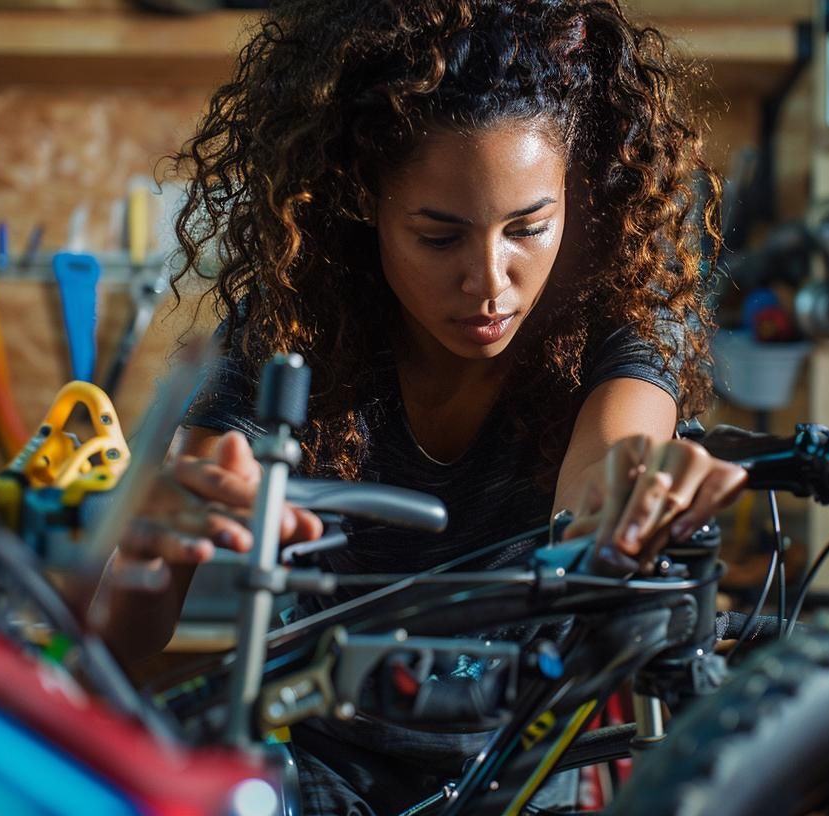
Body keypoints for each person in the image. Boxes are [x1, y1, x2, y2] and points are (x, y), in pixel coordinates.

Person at [99, 1, 748, 812]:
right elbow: (118, 642)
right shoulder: (298, 324)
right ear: (365, 199)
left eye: (528, 228)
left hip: (526, 771)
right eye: (439, 237)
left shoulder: (617, 321)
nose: (488, 280)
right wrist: (148, 552)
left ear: (573, 199)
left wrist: (636, 500)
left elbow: (608, 475)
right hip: (321, 770)